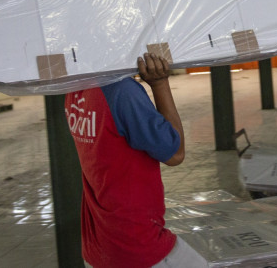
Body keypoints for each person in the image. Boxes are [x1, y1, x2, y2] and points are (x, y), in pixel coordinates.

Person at [64, 52, 208, 268]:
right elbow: (175, 153)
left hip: (97, 246)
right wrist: (160, 83)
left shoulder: (75, 90)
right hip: (135, 246)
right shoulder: (122, 92)